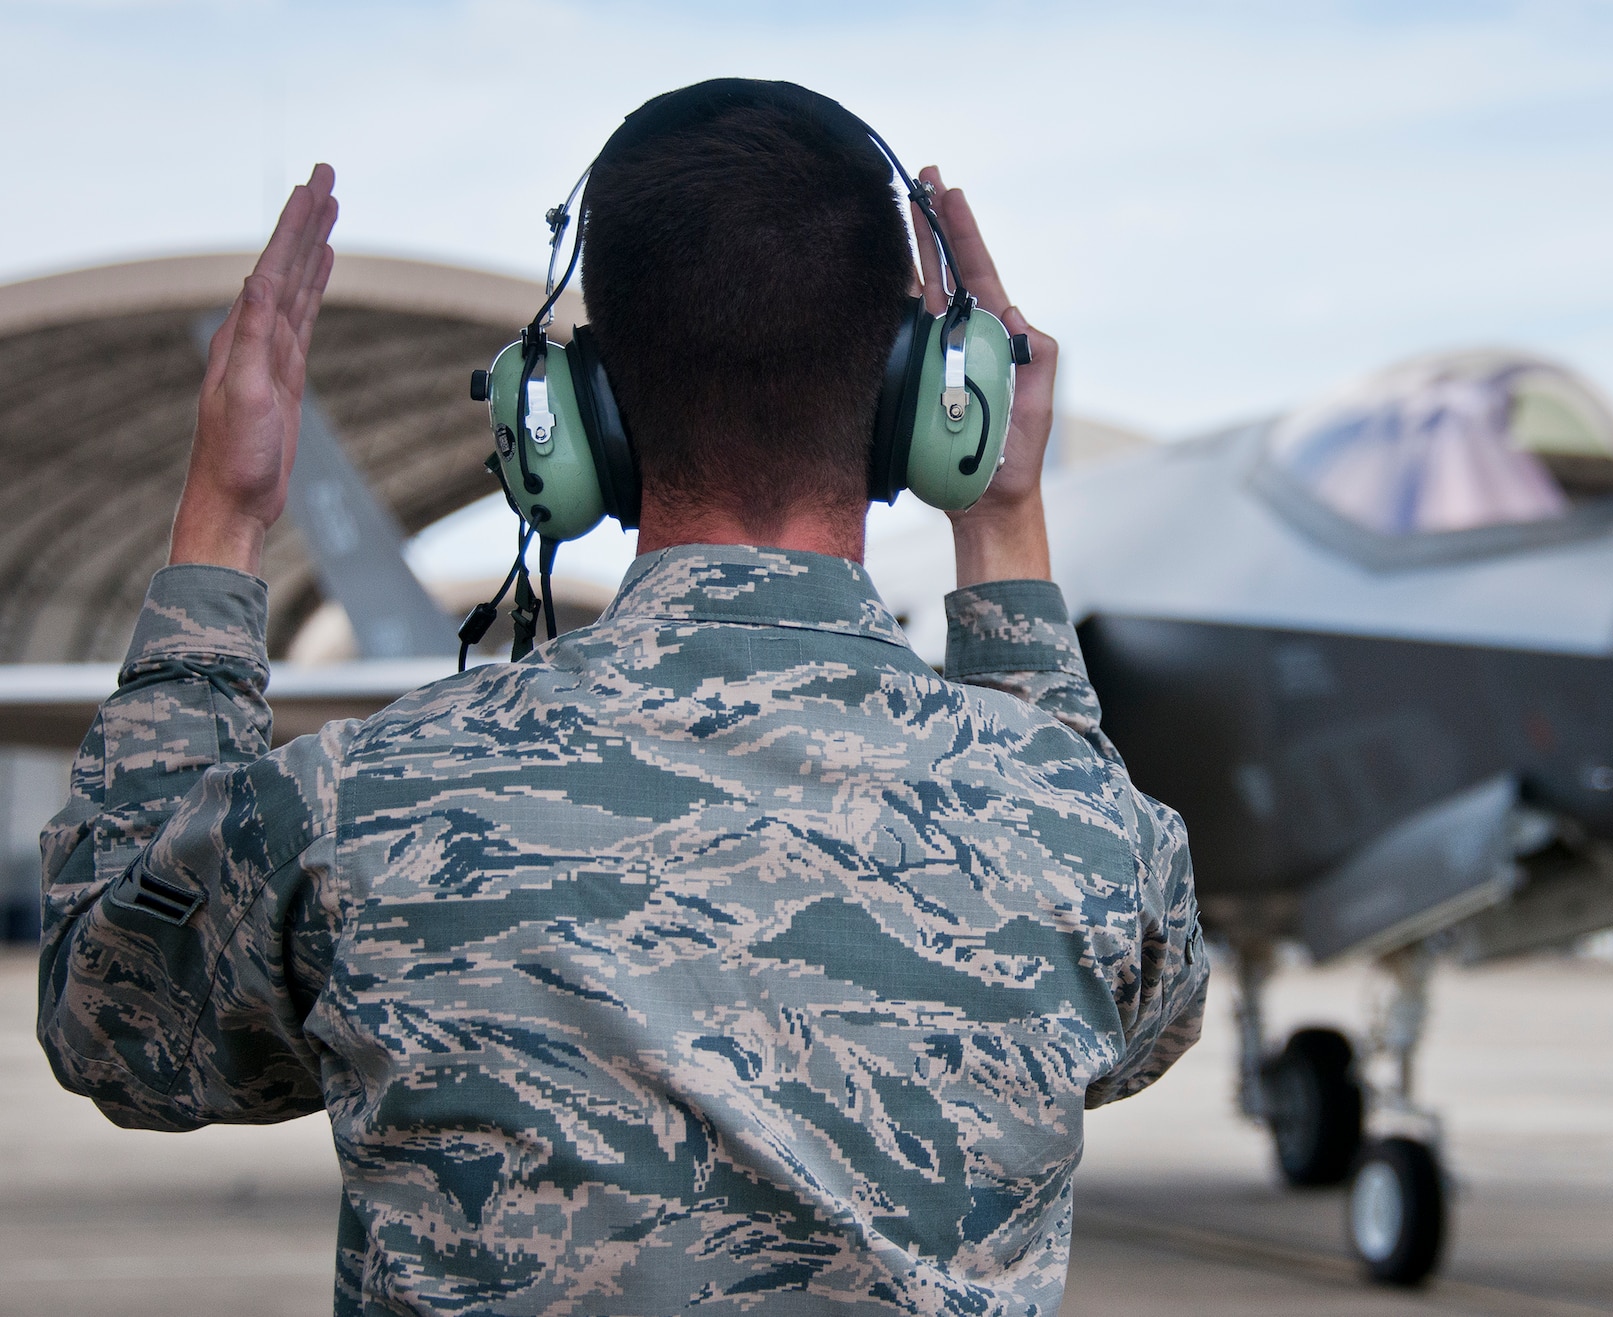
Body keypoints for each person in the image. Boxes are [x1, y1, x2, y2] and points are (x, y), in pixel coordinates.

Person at [38, 80, 1207, 1315]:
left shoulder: (362, 809)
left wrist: (223, 510)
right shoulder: (1079, 836)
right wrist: (1005, 516)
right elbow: (1135, 1011)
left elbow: (105, 1015)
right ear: (923, 408)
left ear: (568, 420)